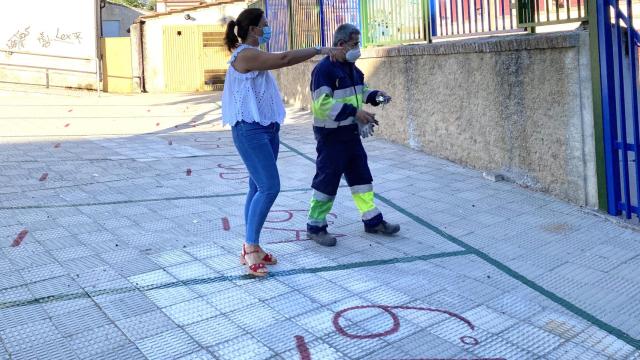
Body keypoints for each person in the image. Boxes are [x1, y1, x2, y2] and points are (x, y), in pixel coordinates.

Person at [222, 8, 344, 276]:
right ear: (254, 29)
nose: (268, 29)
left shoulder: (253, 54)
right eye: (265, 25)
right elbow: (286, 58)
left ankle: (250, 246)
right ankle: (251, 246)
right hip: (250, 131)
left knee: (257, 187)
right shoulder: (246, 55)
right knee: (269, 187)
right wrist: (321, 49)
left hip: (266, 129)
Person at [306, 23, 400, 247]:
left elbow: (361, 91)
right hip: (331, 137)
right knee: (327, 181)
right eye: (354, 44)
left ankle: (372, 220)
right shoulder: (324, 71)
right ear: (340, 45)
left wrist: (376, 96)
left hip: (350, 135)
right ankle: (316, 226)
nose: (358, 49)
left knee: (362, 179)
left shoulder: (352, 69)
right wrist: (355, 112)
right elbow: (321, 105)